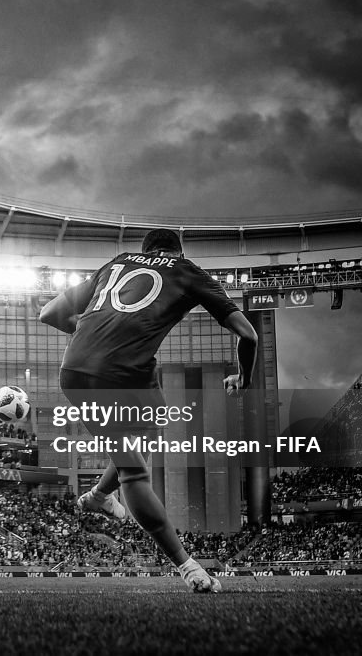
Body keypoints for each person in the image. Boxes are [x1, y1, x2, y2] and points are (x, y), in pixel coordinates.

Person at [39, 228, 258, 593]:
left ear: (145, 250)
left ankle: (97, 496)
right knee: (135, 472)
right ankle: (188, 568)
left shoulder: (115, 264)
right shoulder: (186, 270)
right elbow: (248, 335)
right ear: (177, 250)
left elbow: (48, 312)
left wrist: (87, 334)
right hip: (115, 375)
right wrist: (243, 378)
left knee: (153, 423)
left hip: (78, 372)